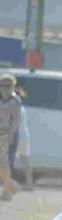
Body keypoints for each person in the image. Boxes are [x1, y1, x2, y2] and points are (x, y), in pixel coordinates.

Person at [0, 74, 22, 202]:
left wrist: (11, 137)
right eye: (2, 85)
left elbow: (15, 121)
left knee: (4, 163)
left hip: (8, 134)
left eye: (8, 86)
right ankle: (13, 186)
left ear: (13, 86)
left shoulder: (15, 101)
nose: (5, 89)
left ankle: (7, 191)